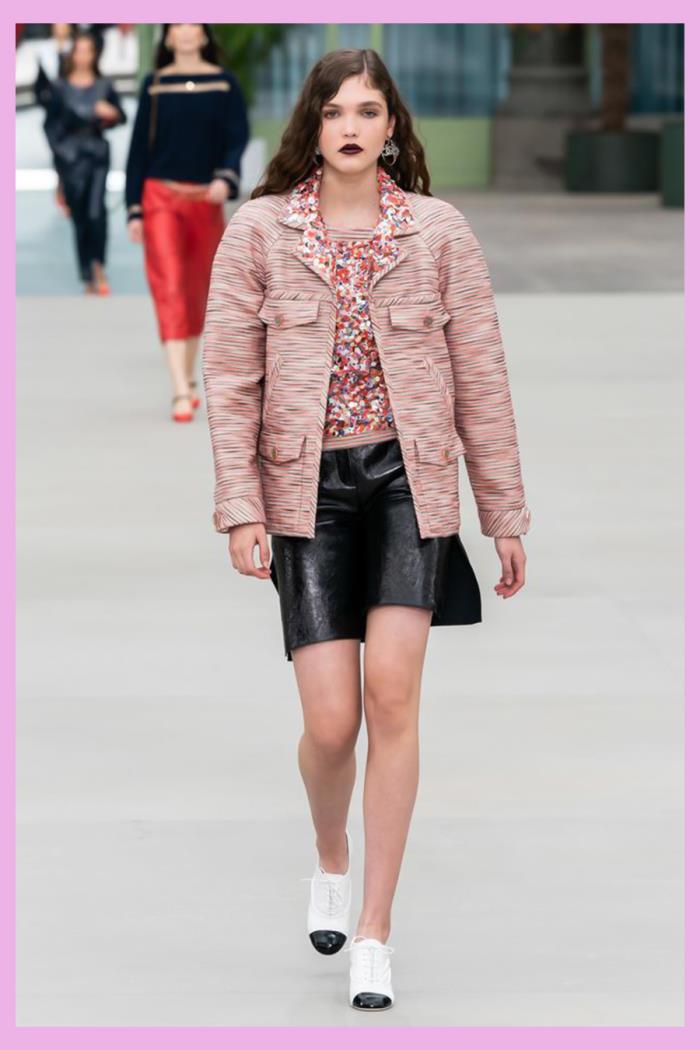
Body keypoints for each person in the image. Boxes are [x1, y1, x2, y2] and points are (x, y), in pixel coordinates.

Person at [202, 48, 532, 1011]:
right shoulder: (261, 232)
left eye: (369, 111)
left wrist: (503, 512)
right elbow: (230, 379)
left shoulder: (437, 232)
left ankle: (376, 930)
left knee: (392, 698)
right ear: (313, 125)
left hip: (406, 484)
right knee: (330, 723)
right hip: (304, 488)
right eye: (335, 111)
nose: (352, 127)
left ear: (392, 128)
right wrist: (240, 505)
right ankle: (330, 853)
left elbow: (481, 376)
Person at [125, 23, 249, 423]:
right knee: (170, 285)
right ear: (166, 35)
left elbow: (237, 138)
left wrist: (226, 178)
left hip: (205, 200)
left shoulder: (225, 84)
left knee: (198, 291)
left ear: (205, 33)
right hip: (160, 197)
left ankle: (189, 378)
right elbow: (138, 148)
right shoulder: (155, 84)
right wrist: (133, 208)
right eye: (176, 23)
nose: (185, 30)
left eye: (193, 22)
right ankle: (179, 387)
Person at [39, 30, 126, 294]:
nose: (84, 56)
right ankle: (86, 271)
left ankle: (98, 265)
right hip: (71, 157)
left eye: (89, 50)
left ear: (95, 54)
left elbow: (121, 116)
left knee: (96, 210)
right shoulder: (60, 88)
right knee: (79, 215)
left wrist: (111, 114)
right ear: (72, 54)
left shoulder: (104, 86)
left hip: (97, 152)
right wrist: (63, 154)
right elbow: (50, 125)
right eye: (79, 50)